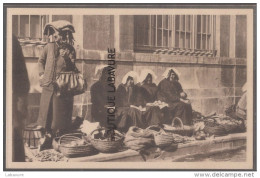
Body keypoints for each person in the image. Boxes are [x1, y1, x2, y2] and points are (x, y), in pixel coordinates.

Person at [35, 20, 76, 150]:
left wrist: (67, 58)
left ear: (65, 35)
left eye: (59, 34)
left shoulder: (70, 49)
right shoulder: (48, 46)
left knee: (58, 115)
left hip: (62, 87)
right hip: (47, 85)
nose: (57, 36)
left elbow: (73, 68)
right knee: (45, 113)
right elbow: (40, 61)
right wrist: (41, 74)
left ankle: (57, 139)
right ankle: (46, 138)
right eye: (56, 34)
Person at [12, 34, 30, 161]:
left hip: (12, 99)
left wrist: (21, 102)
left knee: (14, 136)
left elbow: (21, 74)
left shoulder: (10, 39)